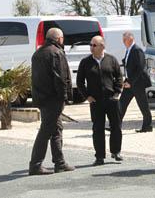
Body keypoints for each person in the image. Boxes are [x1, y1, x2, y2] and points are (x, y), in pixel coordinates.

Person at [29, 28, 75, 175]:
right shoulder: (56, 53)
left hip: (42, 98)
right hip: (53, 99)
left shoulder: (37, 53)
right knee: (46, 131)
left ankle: (59, 162)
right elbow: (60, 78)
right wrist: (65, 97)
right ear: (58, 38)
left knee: (56, 129)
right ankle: (35, 165)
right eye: (62, 38)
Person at [76, 35, 123, 166]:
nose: (91, 47)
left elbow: (119, 77)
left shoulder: (111, 60)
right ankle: (99, 156)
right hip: (96, 101)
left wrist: (117, 93)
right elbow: (80, 82)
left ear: (102, 46)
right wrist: (87, 96)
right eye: (90, 45)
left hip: (111, 99)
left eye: (94, 45)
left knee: (116, 127)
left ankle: (116, 151)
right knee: (97, 128)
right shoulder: (85, 62)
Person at [119, 31, 153, 133]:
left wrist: (131, 82)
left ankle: (147, 126)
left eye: (124, 39)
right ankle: (115, 126)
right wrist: (126, 80)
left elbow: (140, 69)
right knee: (121, 104)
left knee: (143, 106)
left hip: (137, 83)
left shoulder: (137, 50)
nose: (123, 41)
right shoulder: (128, 50)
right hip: (129, 83)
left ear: (130, 39)